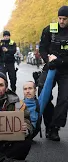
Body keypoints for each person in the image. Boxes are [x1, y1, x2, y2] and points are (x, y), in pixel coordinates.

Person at [37, 5, 68, 141]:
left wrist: (60, 61)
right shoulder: (50, 29)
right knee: (43, 93)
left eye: (65, 19)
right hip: (50, 67)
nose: (61, 21)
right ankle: (48, 124)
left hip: (65, 70)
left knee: (64, 99)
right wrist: (47, 59)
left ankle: (55, 128)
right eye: (60, 18)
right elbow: (42, 48)